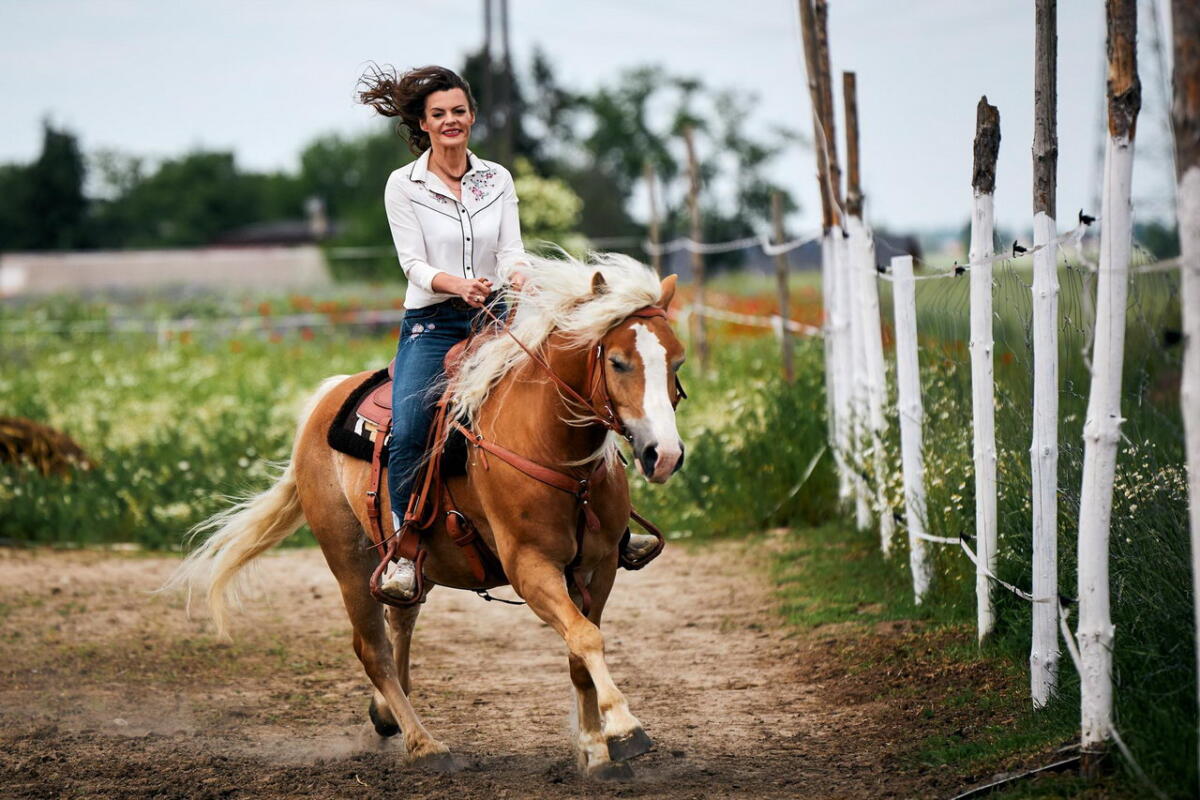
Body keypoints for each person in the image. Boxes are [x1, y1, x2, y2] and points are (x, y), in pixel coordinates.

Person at [358, 65, 654, 602]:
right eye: (439, 114)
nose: (451, 121)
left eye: (459, 111)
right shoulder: (404, 185)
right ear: (423, 124)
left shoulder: (496, 178)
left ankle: (613, 526)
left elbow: (511, 250)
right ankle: (404, 551)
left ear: (472, 115)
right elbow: (413, 265)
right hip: (432, 324)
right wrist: (457, 284)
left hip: (497, 316)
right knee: (411, 427)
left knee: (574, 393)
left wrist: (520, 276)